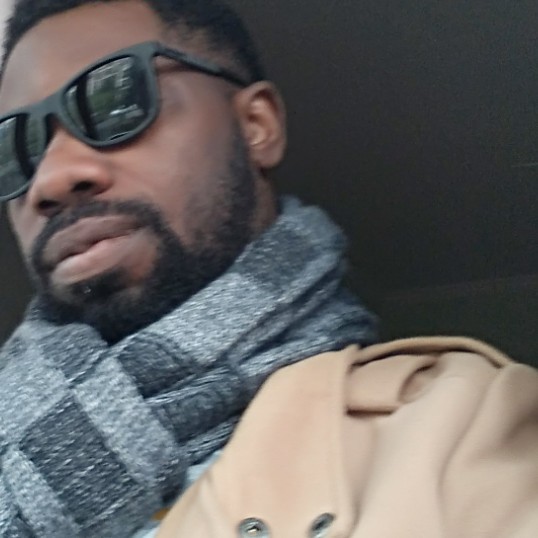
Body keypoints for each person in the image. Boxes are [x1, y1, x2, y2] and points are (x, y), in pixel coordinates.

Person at [0, 0, 536, 537]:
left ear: (257, 125)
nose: (51, 180)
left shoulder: (459, 426)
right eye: (13, 147)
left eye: (115, 99)